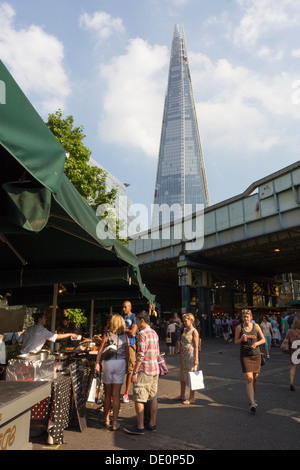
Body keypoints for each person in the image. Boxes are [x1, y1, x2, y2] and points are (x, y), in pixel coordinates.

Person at [123, 310, 160, 435]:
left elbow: (140, 355)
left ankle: (140, 427)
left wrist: (135, 372)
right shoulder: (154, 333)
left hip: (144, 370)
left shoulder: (142, 334)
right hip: (155, 369)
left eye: (137, 321)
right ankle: (152, 424)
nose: (137, 323)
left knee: (139, 398)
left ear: (142, 320)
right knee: (153, 397)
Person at [95, 314, 129, 430]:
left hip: (107, 363)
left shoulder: (107, 334)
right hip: (120, 363)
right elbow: (127, 353)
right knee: (116, 394)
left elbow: (100, 349)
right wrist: (127, 367)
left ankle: (106, 419)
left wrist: (97, 363)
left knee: (107, 393)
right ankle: (115, 422)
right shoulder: (125, 336)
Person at [235, 309, 265, 413]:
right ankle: (252, 403)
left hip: (256, 355)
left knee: (255, 378)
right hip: (245, 355)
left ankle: (252, 397)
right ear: (242, 318)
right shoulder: (239, 328)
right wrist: (241, 339)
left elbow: (263, 339)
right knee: (249, 378)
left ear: (251, 317)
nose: (246, 319)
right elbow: (235, 341)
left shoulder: (256, 326)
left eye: (247, 317)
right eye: (244, 317)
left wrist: (256, 344)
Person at [173, 313, 199, 405]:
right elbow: (182, 343)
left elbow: (196, 346)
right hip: (184, 356)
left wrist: (196, 358)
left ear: (191, 320)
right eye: (183, 321)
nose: (184, 322)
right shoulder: (184, 330)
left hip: (191, 356)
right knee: (182, 376)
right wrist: (180, 356)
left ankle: (192, 398)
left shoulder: (194, 331)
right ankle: (182, 395)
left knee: (191, 377)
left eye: (186, 321)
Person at [122, 300, 137, 403]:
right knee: (120, 368)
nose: (123, 309)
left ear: (130, 307)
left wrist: (124, 330)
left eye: (125, 307)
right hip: (121, 345)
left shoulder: (133, 317)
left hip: (131, 345)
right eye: (122, 307)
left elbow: (132, 333)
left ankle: (126, 393)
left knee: (130, 369)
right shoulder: (120, 318)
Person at [284, 317, 300, 391]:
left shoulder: (290, 331)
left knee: (293, 367)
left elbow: (286, 340)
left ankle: (291, 382)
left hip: (294, 351)